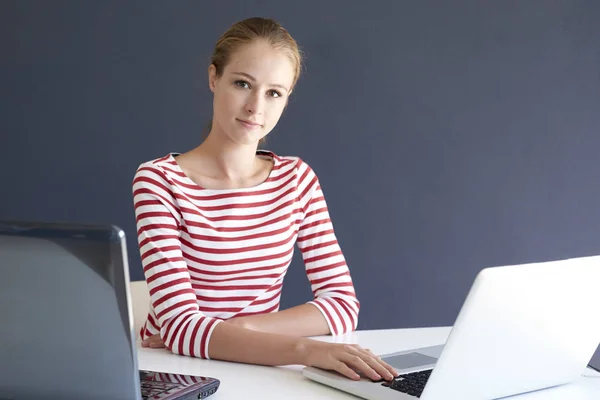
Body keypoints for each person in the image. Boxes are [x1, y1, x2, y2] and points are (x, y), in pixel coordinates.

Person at [132, 16, 397, 382]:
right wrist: (307, 349)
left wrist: (230, 332)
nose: (256, 106)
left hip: (257, 369)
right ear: (214, 79)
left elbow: (340, 306)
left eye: (275, 92)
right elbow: (178, 327)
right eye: (243, 84)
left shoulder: (297, 179)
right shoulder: (159, 180)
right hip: (174, 375)